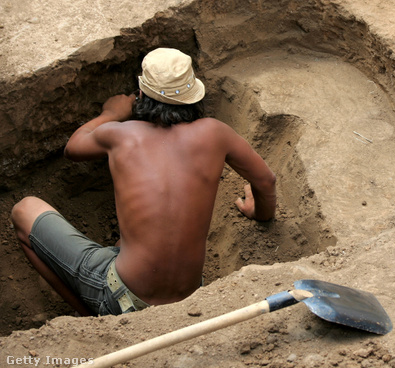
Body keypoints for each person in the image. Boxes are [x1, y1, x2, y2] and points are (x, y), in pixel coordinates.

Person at [11, 48, 276, 316]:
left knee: (24, 210)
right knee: (129, 241)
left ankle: (94, 317)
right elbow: (266, 181)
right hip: (190, 297)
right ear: (195, 95)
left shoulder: (120, 135)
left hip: (123, 297)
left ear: (141, 94)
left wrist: (110, 113)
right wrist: (260, 213)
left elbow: (73, 148)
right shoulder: (216, 132)